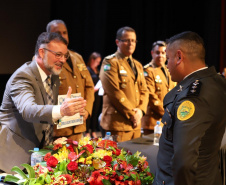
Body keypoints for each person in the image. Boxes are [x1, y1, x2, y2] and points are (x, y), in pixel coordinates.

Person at [0, 32, 87, 173]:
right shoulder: (23, 76)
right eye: (58, 55)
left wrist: (75, 111)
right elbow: (28, 110)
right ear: (41, 52)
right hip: (14, 162)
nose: (63, 60)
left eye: (65, 56)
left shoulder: (52, 77)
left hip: (38, 157)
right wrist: (62, 110)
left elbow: (47, 112)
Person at [154, 31, 226, 185]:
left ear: (179, 57)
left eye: (168, 59)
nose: (167, 65)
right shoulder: (216, 81)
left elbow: (184, 161)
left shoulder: (193, 97)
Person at [46, 20, 94, 141]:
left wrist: (87, 110)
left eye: (64, 32)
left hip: (78, 126)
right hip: (57, 129)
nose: (62, 36)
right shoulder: (45, 59)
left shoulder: (77, 57)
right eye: (57, 33)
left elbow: (89, 86)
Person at [99, 26, 149, 142]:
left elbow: (145, 91)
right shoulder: (110, 62)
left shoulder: (138, 65)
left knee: (135, 159)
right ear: (117, 42)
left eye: (133, 40)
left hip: (135, 125)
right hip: (117, 124)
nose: (130, 43)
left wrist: (140, 111)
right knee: (117, 159)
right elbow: (114, 92)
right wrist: (133, 114)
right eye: (126, 40)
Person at [141, 41, 175, 135]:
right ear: (152, 53)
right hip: (152, 122)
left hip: (166, 121)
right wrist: (168, 113)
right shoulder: (148, 71)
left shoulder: (168, 71)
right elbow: (151, 97)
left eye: (163, 53)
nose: (160, 55)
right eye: (157, 52)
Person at [85, 52, 103, 138]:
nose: (98, 63)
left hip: (97, 95)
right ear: (92, 60)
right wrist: (93, 89)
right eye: (97, 61)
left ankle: (93, 130)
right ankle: (87, 131)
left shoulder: (97, 70)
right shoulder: (87, 69)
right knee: (89, 113)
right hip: (90, 94)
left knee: (95, 113)